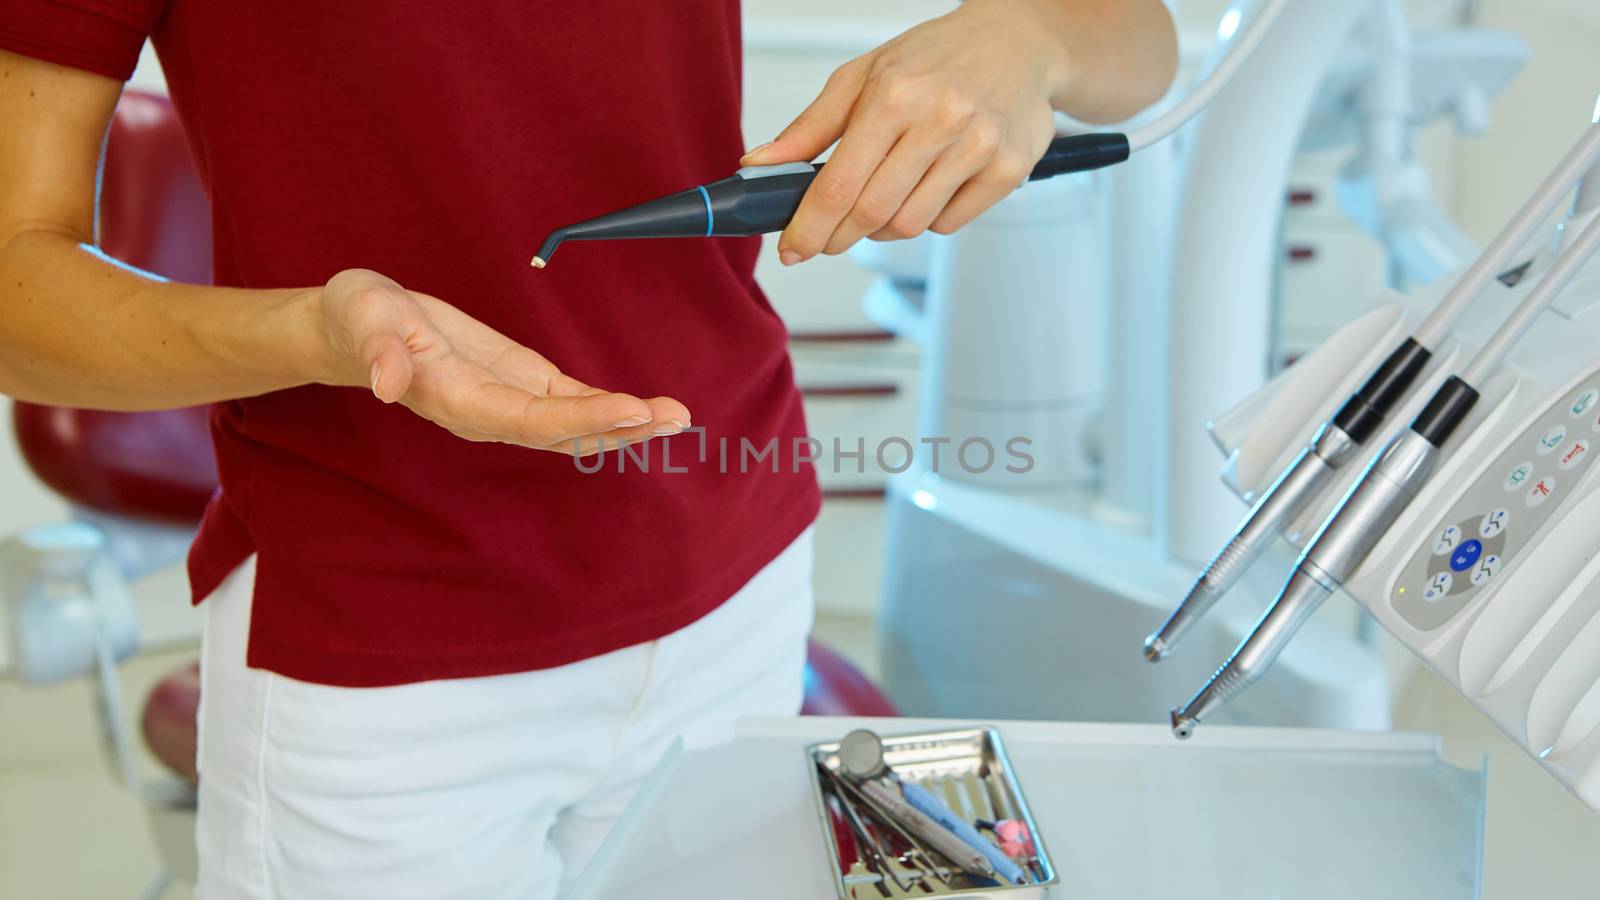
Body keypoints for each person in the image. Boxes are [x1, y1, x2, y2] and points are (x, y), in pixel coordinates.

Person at [0, 0, 1175, 896]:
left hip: (737, 578)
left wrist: (1027, 36)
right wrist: (319, 332)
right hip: (389, 652)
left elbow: (1140, 38)